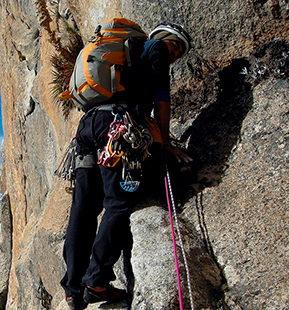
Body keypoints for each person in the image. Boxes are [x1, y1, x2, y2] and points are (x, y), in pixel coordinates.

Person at [60, 22, 193, 310]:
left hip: (88, 129)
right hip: (117, 128)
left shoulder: (121, 57)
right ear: (162, 39)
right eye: (175, 45)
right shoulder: (153, 48)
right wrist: (166, 141)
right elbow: (162, 98)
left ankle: (73, 289)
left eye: (178, 51)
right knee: (119, 202)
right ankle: (95, 282)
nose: (174, 53)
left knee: (83, 209)